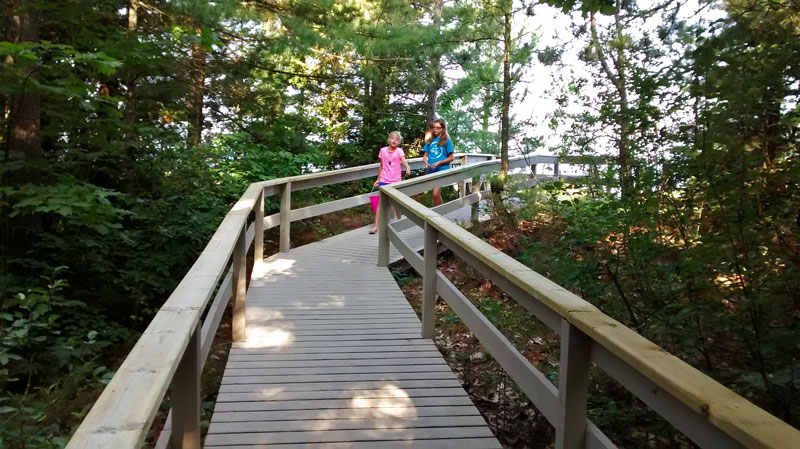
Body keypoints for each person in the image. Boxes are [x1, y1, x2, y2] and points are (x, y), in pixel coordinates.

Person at [370, 131, 411, 234]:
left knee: (396, 203)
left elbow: (404, 161)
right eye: (393, 138)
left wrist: (407, 168)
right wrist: (378, 179)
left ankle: (399, 221)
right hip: (384, 179)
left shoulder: (399, 151)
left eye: (397, 140)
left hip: (396, 180)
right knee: (380, 203)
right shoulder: (383, 151)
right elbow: (381, 166)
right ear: (388, 139)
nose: (394, 141)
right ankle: (376, 226)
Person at [421, 118, 454, 206]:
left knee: (435, 194)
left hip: (441, 169)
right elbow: (425, 155)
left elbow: (451, 158)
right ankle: (440, 214)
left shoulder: (447, 141)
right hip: (431, 170)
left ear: (443, 128)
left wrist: (440, 163)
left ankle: (438, 215)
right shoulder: (430, 141)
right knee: (435, 195)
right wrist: (426, 162)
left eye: (438, 127)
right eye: (434, 127)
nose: (435, 129)